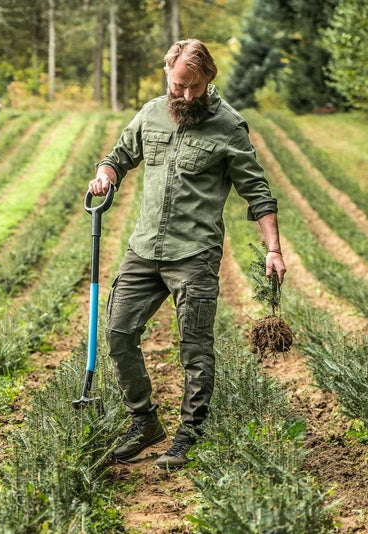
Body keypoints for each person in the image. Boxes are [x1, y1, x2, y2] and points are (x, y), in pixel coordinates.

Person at [88, 39, 286, 469]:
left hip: (194, 254)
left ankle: (188, 433)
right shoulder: (151, 112)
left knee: (194, 347)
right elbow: (119, 156)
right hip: (144, 250)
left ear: (209, 79)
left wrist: (273, 248)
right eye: (179, 86)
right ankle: (144, 421)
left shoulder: (229, 126)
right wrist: (105, 175)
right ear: (167, 75)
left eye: (195, 87)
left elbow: (256, 191)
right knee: (119, 334)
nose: (187, 96)